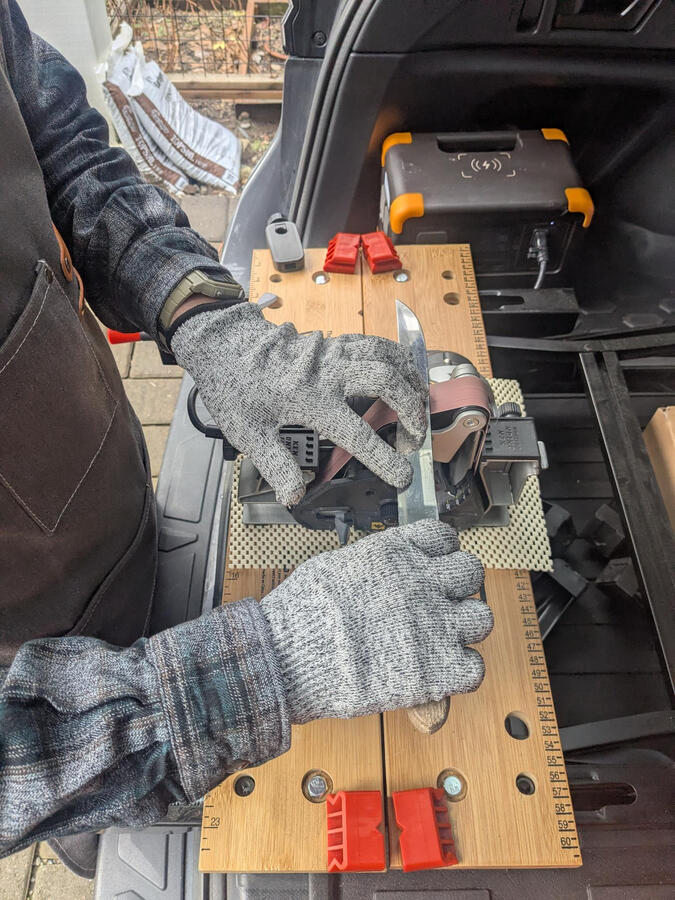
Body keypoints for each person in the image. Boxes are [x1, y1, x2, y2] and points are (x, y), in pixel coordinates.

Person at [0, 0, 493, 876]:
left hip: (93, 510)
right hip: (22, 670)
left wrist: (201, 316)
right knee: (125, 836)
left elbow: (62, 149)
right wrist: (252, 674)